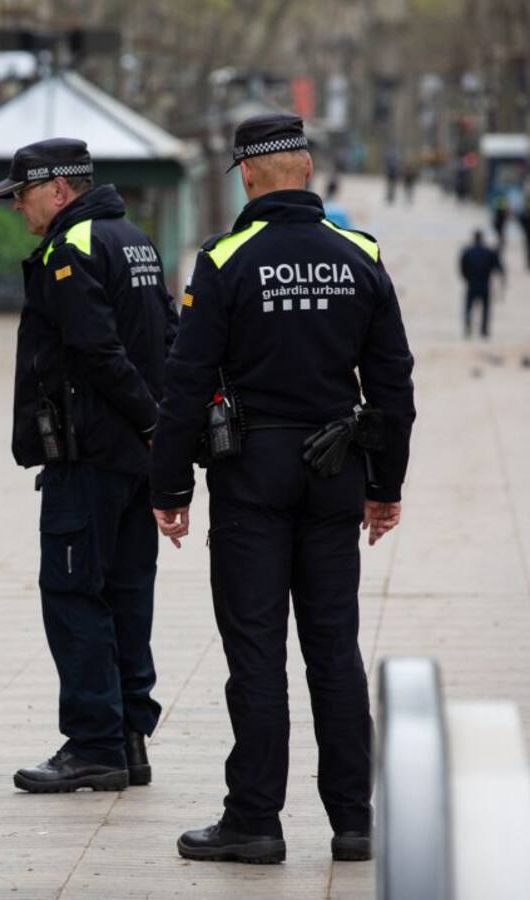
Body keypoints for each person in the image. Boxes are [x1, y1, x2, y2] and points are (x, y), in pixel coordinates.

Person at [150, 113, 416, 864]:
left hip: (252, 474)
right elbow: (393, 382)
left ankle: (256, 821)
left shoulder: (227, 258)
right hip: (337, 471)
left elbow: (187, 379)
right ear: (304, 170)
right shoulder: (359, 255)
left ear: (250, 175)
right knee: (334, 648)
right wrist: (385, 482)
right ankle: (354, 821)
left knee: (257, 651)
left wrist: (169, 485)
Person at [0, 138, 176, 793]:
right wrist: (162, 433)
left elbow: (97, 353)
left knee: (73, 595)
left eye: (22, 193)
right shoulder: (135, 239)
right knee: (128, 595)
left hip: (89, 457)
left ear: (58, 189)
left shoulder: (72, 249)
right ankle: (128, 740)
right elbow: (169, 340)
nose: (16, 207)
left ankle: (94, 742)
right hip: (133, 463)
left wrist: (151, 421)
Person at [459, 229, 504, 339]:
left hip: (472, 282)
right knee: (485, 308)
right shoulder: (489, 252)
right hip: (484, 283)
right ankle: (483, 330)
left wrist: (467, 278)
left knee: (469, 307)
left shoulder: (467, 251)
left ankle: (468, 327)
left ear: (474, 238)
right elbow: (498, 267)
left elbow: (462, 267)